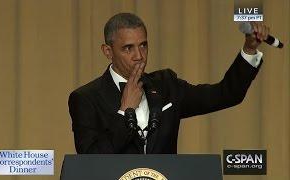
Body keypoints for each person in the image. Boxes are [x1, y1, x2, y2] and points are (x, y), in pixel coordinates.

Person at [68, 13, 269, 154]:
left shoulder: (167, 86)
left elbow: (226, 94)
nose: (139, 56)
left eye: (143, 45)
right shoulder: (86, 98)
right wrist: (125, 111)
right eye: (128, 48)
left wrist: (249, 50)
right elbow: (91, 160)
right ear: (108, 52)